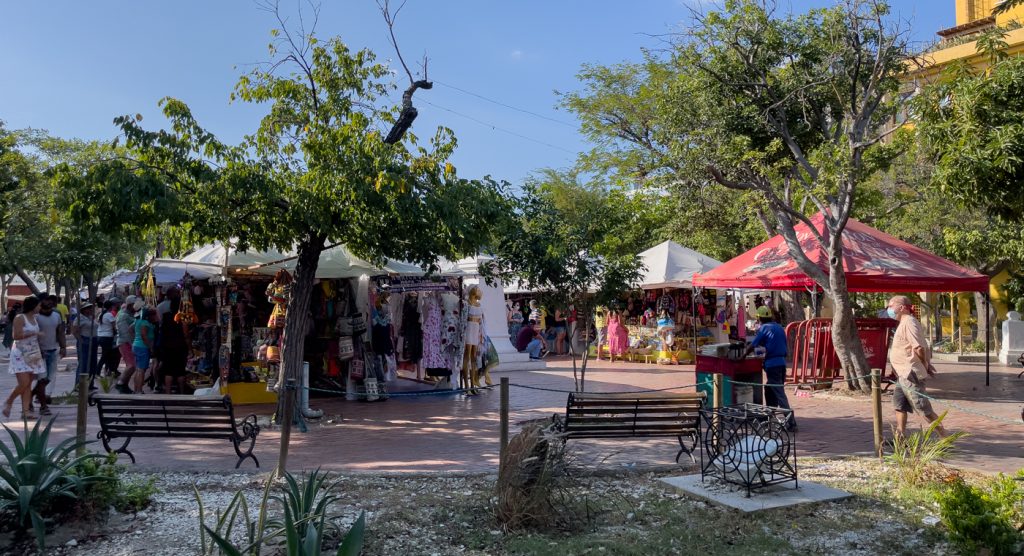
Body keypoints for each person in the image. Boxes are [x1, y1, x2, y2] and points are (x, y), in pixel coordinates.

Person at [887, 295, 948, 439]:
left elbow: (919, 347)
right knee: (899, 404)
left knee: (923, 408)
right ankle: (900, 437)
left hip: (910, 373)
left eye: (891, 306)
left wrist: (925, 364)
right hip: (902, 374)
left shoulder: (909, 322)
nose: (889, 309)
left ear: (901, 307)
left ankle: (945, 438)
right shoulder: (903, 323)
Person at [745, 305, 796, 430]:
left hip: (772, 365)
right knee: (769, 389)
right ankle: (769, 414)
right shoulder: (779, 327)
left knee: (779, 393)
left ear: (759, 318)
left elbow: (753, 345)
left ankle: (791, 421)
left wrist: (743, 355)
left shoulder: (764, 328)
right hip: (781, 364)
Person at [3, 296, 46, 419]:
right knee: (24, 382)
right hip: (20, 353)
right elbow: (15, 335)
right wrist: (34, 333)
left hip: (33, 352)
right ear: (32, 306)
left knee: (28, 384)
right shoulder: (19, 318)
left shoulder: (35, 318)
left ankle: (26, 411)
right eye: (38, 305)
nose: (40, 307)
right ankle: (9, 401)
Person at [33, 295, 66, 415]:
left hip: (53, 350)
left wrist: (63, 347)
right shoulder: (35, 317)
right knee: (42, 379)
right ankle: (43, 406)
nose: (49, 302)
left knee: (49, 378)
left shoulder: (56, 316)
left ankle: (32, 395)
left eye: (50, 300)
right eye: (46, 300)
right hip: (39, 352)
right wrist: (37, 349)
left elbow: (60, 332)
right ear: (40, 302)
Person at [159, 300, 188, 394]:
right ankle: (182, 392)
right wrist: (190, 347)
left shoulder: (165, 316)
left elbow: (162, 330)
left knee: (168, 370)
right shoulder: (182, 317)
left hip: (167, 346)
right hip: (180, 347)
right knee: (180, 370)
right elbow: (185, 333)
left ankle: (168, 393)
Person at [114, 296, 139, 394]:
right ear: (130, 305)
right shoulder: (123, 316)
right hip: (125, 342)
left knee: (133, 365)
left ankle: (124, 385)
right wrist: (132, 344)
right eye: (134, 305)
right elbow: (125, 332)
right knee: (131, 365)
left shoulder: (130, 314)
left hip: (129, 342)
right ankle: (120, 383)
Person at [72, 303, 99, 389]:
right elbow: (75, 331)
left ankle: (90, 384)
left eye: (91, 308)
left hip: (94, 340)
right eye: (88, 308)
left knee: (93, 363)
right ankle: (79, 385)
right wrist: (81, 340)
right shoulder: (79, 318)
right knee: (83, 363)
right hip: (85, 340)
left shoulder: (91, 318)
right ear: (83, 310)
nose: (91, 310)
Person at [132, 307, 158, 394]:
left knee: (138, 369)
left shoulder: (138, 321)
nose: (155, 316)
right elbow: (143, 335)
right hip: (142, 347)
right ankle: (139, 390)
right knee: (141, 370)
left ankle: (136, 389)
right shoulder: (145, 323)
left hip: (136, 346)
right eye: (154, 315)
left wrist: (135, 338)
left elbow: (130, 329)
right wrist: (150, 347)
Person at [96, 299, 119, 378]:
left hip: (100, 336)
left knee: (108, 354)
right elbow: (114, 326)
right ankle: (97, 371)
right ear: (111, 307)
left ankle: (112, 370)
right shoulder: (109, 315)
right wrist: (117, 332)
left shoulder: (101, 314)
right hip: (107, 337)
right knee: (105, 355)